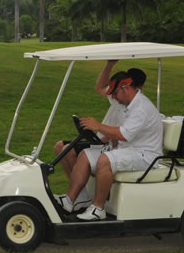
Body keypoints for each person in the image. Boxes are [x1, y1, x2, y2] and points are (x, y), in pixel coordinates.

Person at [54, 67, 162, 221]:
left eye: (115, 93)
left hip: (145, 155)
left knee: (105, 160)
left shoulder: (141, 108)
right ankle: (70, 200)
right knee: (85, 155)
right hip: (127, 149)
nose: (114, 98)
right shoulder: (128, 104)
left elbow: (123, 135)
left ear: (125, 88)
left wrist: (97, 126)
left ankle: (98, 208)